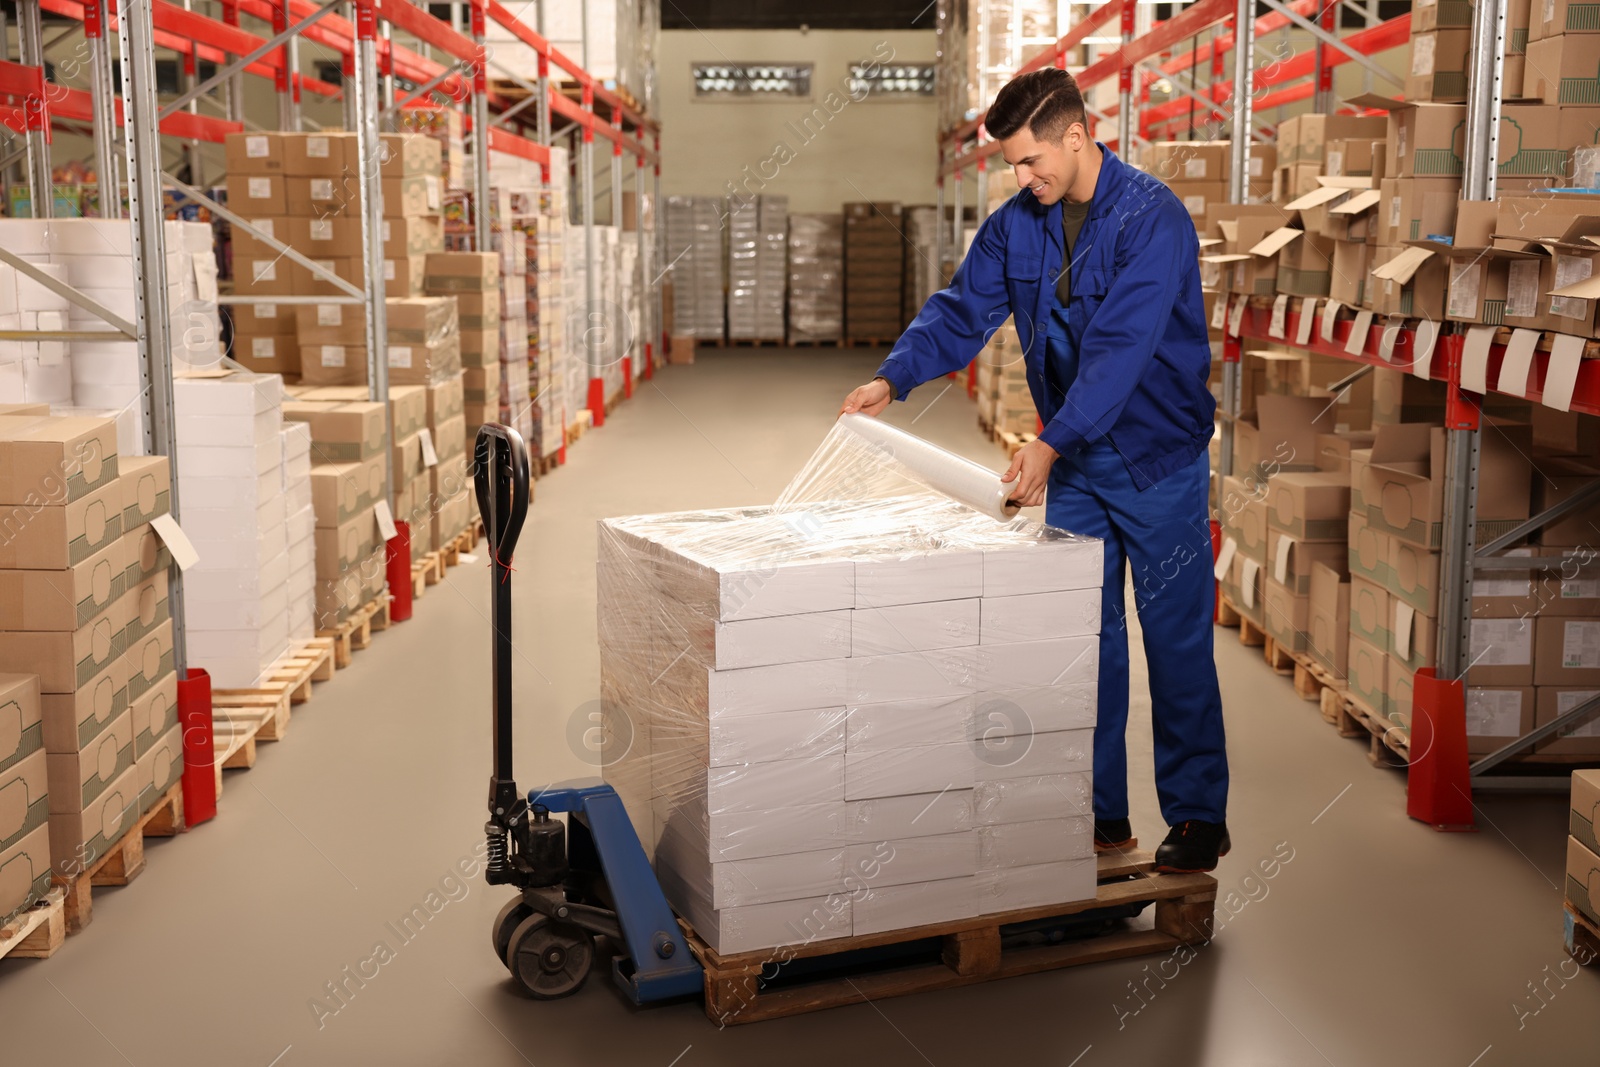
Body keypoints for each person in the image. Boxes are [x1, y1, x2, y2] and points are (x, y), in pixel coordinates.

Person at [839, 67, 1229, 874]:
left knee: (1176, 637)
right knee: (1083, 640)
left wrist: (1049, 443)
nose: (1022, 178)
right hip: (1081, 462)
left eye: (1029, 161)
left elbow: (1121, 351)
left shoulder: (1151, 218)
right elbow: (962, 308)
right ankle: (1098, 811)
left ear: (1077, 135)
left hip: (1157, 460)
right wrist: (891, 377)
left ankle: (1196, 813)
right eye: (1013, 166)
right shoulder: (1019, 224)